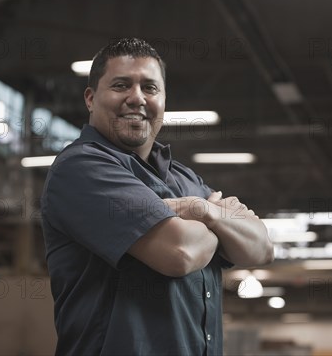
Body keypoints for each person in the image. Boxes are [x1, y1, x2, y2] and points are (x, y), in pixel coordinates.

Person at [40, 37, 274, 355]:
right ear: (91, 98)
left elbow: (261, 247)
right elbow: (179, 252)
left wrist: (202, 211)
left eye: (150, 88)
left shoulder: (185, 179)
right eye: (121, 85)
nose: (136, 98)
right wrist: (221, 222)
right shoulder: (81, 169)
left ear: (163, 100)